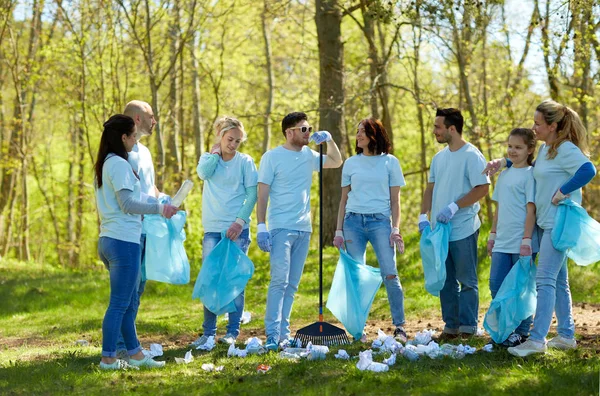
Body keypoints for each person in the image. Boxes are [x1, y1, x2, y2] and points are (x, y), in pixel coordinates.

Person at [481, 100, 596, 357]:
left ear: (553, 126)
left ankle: (536, 339)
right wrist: (502, 163)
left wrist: (563, 191)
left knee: (544, 280)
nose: (533, 127)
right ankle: (566, 335)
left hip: (558, 223)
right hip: (544, 223)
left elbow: (588, 169)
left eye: (537, 123)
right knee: (558, 281)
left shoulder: (564, 148)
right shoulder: (546, 149)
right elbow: (531, 168)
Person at [94, 114, 178, 370]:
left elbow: (132, 197)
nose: (135, 141)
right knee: (120, 304)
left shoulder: (107, 163)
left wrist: (158, 202)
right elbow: (128, 204)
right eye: (132, 136)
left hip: (111, 239)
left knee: (127, 303)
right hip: (123, 242)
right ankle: (108, 359)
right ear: (123, 137)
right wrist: (160, 209)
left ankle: (136, 355)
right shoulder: (118, 164)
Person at [257, 111, 343, 351]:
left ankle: (284, 333)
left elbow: (337, 161)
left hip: (304, 229)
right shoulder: (272, 157)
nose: (308, 133)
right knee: (279, 281)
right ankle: (272, 335)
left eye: (310, 128)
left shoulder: (309, 155)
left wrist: (329, 140)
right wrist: (261, 225)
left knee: (292, 284)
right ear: (289, 132)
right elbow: (262, 193)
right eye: (303, 129)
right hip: (280, 227)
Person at [332, 118, 407, 342]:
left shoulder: (390, 162)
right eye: (357, 132)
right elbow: (343, 199)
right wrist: (338, 230)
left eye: (363, 131)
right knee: (355, 276)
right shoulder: (351, 163)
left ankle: (400, 326)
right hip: (353, 222)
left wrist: (395, 228)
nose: (358, 135)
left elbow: (396, 201)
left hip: (380, 223)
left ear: (375, 134)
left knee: (390, 273)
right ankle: (357, 329)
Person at [418, 108, 490, 340]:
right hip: (440, 232)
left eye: (438, 126)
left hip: (463, 228)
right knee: (446, 280)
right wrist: (422, 215)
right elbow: (430, 188)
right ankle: (451, 327)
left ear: (452, 129)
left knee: (466, 280)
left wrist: (455, 206)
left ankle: (468, 328)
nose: (434, 131)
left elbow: (483, 188)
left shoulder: (472, 155)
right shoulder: (439, 158)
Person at [191, 116, 258, 348]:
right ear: (220, 136)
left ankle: (232, 331)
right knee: (210, 280)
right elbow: (203, 174)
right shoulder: (208, 160)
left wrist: (239, 222)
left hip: (237, 230)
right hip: (212, 229)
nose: (233, 144)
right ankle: (208, 333)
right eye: (230, 139)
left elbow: (252, 195)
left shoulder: (246, 162)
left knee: (234, 281)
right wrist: (215, 154)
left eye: (238, 141)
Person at [114, 100, 159, 360]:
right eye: (151, 116)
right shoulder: (120, 153)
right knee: (126, 291)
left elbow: (149, 188)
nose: (155, 121)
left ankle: (129, 344)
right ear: (138, 119)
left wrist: (166, 201)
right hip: (127, 230)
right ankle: (121, 347)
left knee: (139, 288)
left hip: (147, 228)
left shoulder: (145, 152)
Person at [487, 128, 539, 347]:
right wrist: (492, 234)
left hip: (522, 242)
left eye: (518, 147)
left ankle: (522, 331)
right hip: (502, 241)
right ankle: (504, 329)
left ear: (529, 150)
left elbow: (531, 210)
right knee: (496, 286)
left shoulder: (531, 175)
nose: (512, 151)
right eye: (510, 146)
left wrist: (527, 240)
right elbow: (499, 208)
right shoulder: (505, 174)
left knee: (522, 289)